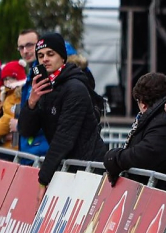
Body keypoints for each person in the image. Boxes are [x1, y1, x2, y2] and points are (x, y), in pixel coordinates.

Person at [19, 32, 109, 200]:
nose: (45, 59)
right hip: (69, 170)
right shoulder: (45, 87)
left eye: (50, 54)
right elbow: (25, 130)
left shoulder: (75, 88)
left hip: (90, 171)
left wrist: (43, 179)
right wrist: (31, 103)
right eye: (40, 55)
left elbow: (64, 138)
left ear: (62, 57)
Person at [104, 72, 166, 183]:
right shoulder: (160, 118)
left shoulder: (162, 121)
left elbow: (146, 154)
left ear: (143, 103)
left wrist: (113, 158)